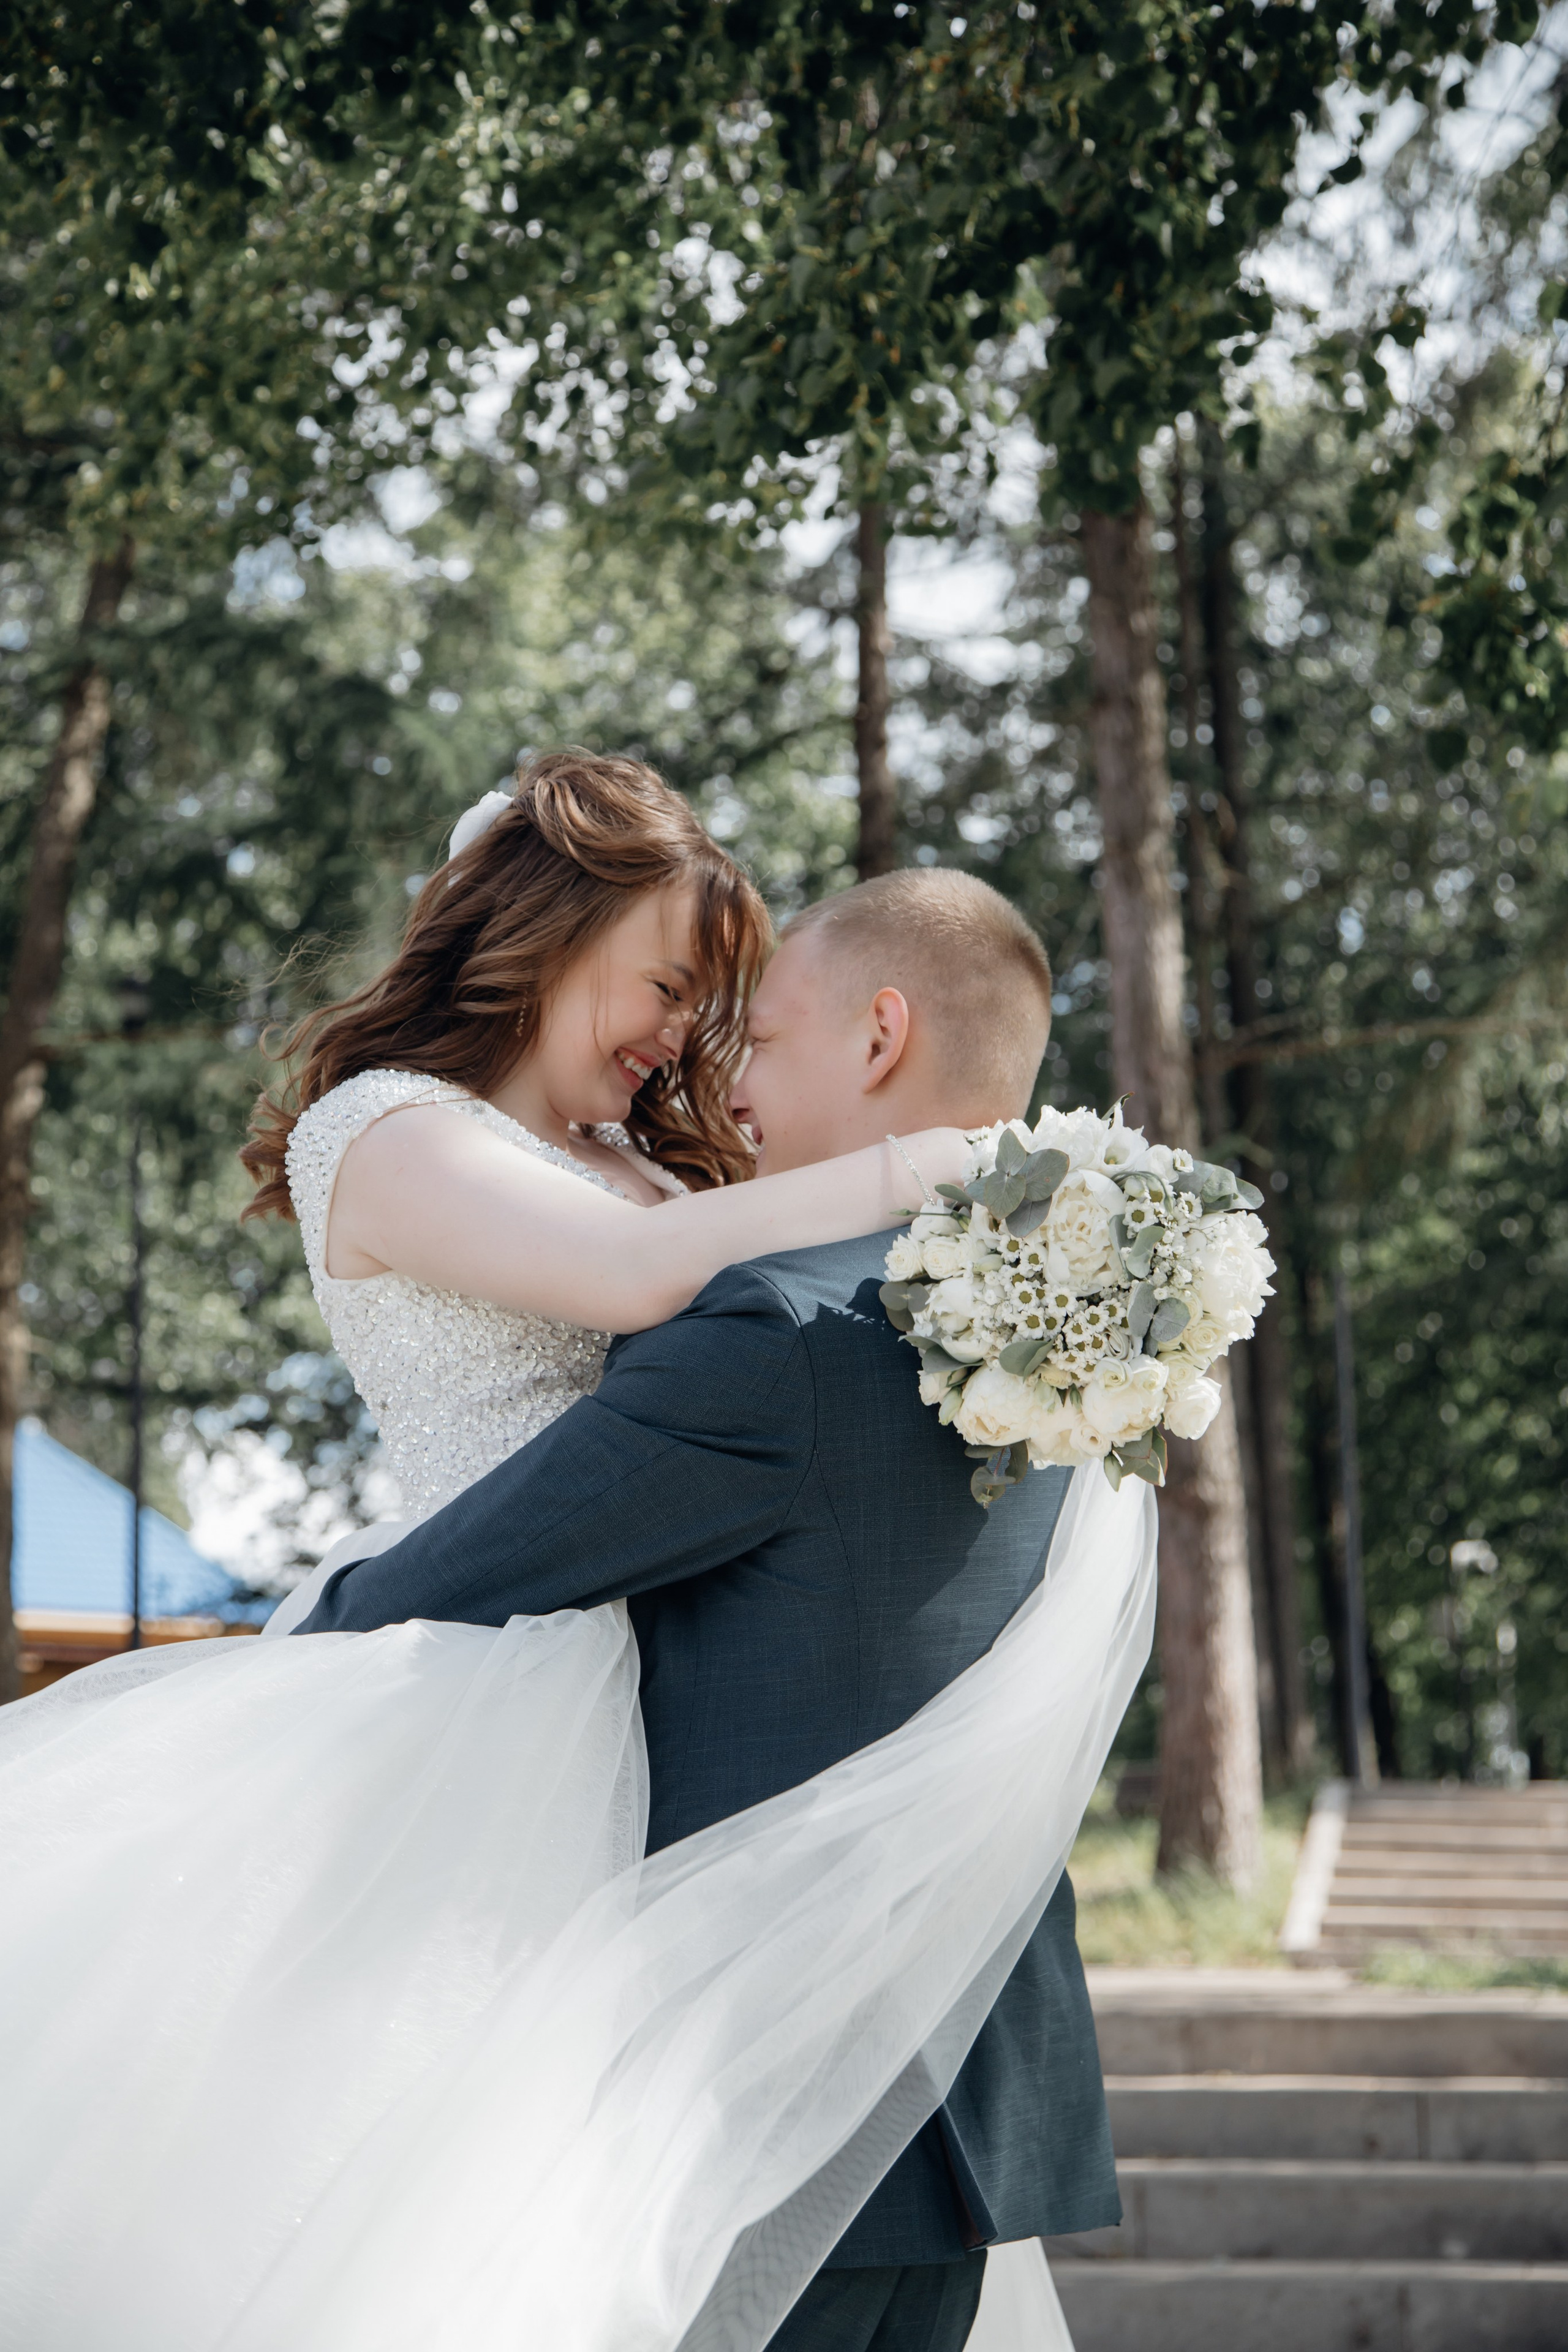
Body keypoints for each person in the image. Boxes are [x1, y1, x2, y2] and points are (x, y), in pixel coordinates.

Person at [0, 754, 1155, 2352]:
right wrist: (922, 1164)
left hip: (643, 1694)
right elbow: (630, 1280)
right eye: (672, 981)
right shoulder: (391, 1128)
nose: (684, 1036)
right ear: (548, 926)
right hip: (482, 1673)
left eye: (713, 1006)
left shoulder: (667, 1176)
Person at [295, 864, 1134, 2352]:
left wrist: (280, 1643)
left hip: (764, 2108)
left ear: (879, 1040)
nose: (718, 1072)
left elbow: (451, 1582)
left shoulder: (779, 1332)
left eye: (758, 1031)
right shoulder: (1066, 1328)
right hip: (969, 2093)